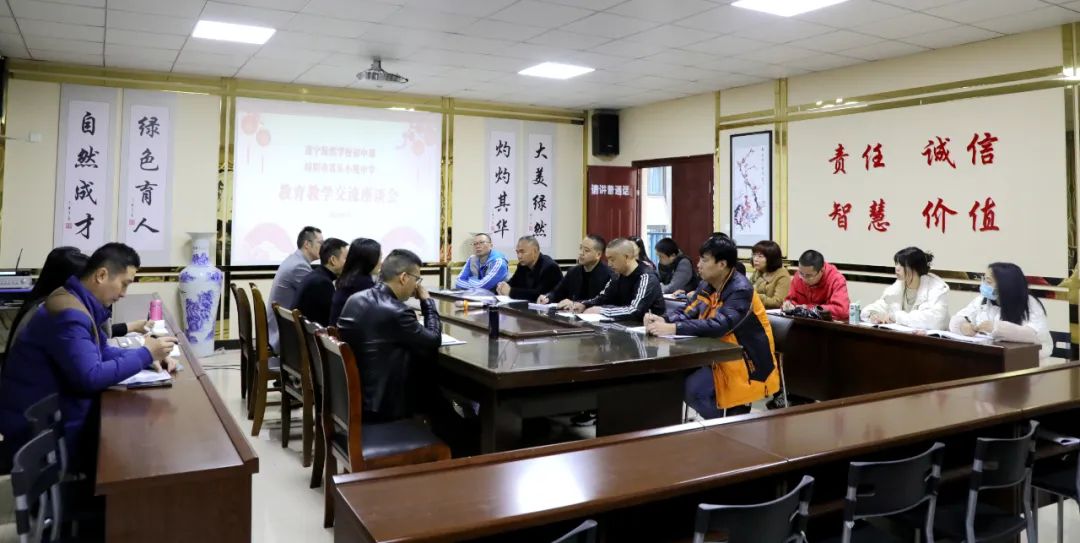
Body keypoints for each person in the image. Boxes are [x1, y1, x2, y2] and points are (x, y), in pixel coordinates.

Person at [0, 243, 178, 470]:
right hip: (40, 429)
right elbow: (90, 377)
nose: (124, 293)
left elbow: (102, 351)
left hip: (52, 416)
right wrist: (145, 354)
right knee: (136, 449)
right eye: (124, 284)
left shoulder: (77, 300)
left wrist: (149, 357)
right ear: (101, 275)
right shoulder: (69, 314)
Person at [645, 235, 778, 419]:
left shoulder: (740, 289)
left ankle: (729, 424)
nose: (698, 265)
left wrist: (674, 328)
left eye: (704, 260)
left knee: (694, 390)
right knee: (672, 379)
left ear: (722, 264)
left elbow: (720, 325)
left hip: (743, 358)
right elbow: (689, 310)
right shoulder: (708, 284)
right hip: (713, 353)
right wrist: (662, 320)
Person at [337, 249, 442, 422]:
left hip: (355, 397)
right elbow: (433, 340)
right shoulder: (397, 312)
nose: (416, 286)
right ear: (404, 278)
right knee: (432, 381)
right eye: (417, 280)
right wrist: (427, 302)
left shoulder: (355, 299)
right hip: (382, 406)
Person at [4, 248, 151, 363]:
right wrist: (144, 354)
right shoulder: (61, 310)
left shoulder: (47, 305)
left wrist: (134, 332)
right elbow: (90, 372)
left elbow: (95, 339)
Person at [949, 262, 1052, 358]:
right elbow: (957, 319)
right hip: (991, 357)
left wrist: (997, 328)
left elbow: (1035, 336)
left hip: (1027, 360)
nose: (984, 284)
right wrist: (962, 326)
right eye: (984, 279)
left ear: (1005, 285)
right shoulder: (982, 300)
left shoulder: (1029, 303)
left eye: (988, 281)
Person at [569, 238, 664, 320]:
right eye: (608, 259)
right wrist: (584, 304)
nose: (609, 264)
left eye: (612, 259)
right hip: (624, 325)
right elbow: (603, 298)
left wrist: (602, 311)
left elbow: (635, 310)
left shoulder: (646, 276)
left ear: (626, 257)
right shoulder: (617, 275)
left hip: (648, 328)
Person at [862, 247, 949, 330]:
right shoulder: (897, 287)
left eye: (902, 265)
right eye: (896, 264)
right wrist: (874, 315)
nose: (897, 268)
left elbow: (936, 320)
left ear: (915, 268)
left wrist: (896, 317)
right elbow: (875, 307)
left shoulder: (936, 289)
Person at [268, 226, 323, 350]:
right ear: (307, 244)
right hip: (283, 332)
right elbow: (317, 297)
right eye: (320, 243)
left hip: (280, 325)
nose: (323, 247)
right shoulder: (299, 267)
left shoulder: (295, 259)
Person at [540, 235, 616, 307]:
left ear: (598, 255)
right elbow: (557, 292)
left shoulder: (609, 275)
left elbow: (602, 301)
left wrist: (575, 303)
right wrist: (547, 298)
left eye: (586, 250)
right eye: (580, 248)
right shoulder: (573, 271)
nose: (581, 253)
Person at [293, 237, 348, 326]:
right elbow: (333, 321)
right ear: (333, 260)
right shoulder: (323, 283)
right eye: (346, 258)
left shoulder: (316, 275)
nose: (349, 263)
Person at [782, 249, 850, 319]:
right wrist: (789, 304)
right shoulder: (799, 276)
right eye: (801, 273)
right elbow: (791, 300)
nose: (804, 279)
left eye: (809, 276)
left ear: (822, 270)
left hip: (826, 324)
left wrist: (809, 308)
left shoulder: (836, 280)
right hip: (801, 322)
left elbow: (842, 310)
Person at [329, 238, 381, 325]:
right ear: (370, 260)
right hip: (347, 332)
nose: (381, 262)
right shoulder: (364, 284)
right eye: (379, 258)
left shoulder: (348, 278)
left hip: (338, 330)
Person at [496, 236, 563, 301]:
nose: (519, 256)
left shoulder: (550, 267)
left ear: (535, 251)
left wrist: (511, 292)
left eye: (522, 252)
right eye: (517, 252)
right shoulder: (522, 266)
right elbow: (513, 283)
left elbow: (539, 294)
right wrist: (501, 287)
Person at [749, 240, 790, 309]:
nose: (755, 259)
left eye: (760, 256)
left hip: (771, 313)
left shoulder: (782, 275)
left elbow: (778, 302)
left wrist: (755, 296)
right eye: (754, 255)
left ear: (771, 258)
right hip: (756, 310)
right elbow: (748, 288)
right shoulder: (759, 271)